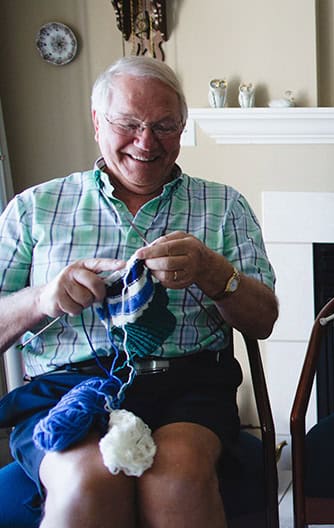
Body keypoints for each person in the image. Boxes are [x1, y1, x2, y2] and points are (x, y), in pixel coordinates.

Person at [0, 56, 278, 527]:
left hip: (189, 386)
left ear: (183, 126)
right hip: (66, 390)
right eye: (128, 124)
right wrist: (43, 298)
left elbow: (264, 319)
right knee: (87, 478)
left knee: (177, 475)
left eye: (164, 126)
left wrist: (214, 272)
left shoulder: (224, 205)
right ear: (96, 122)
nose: (146, 143)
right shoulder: (35, 208)